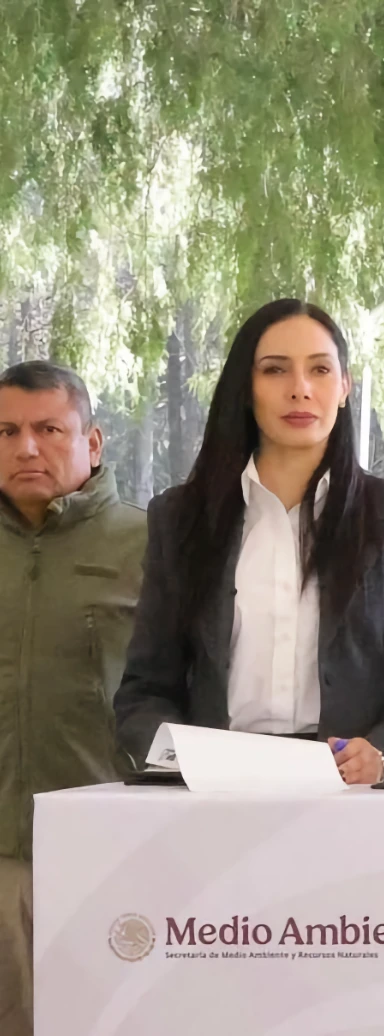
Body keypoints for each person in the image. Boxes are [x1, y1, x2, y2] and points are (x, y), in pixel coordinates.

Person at [114, 300, 384, 783]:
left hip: (353, 793)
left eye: (320, 369)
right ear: (245, 387)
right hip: (215, 791)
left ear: (344, 387)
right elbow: (145, 689)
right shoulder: (182, 519)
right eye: (275, 370)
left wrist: (383, 754)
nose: (300, 389)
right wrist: (180, 758)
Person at [0, 362, 145, 1036]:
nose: (26, 447)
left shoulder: (149, 546)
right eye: (7, 432)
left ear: (92, 441)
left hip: (109, 852)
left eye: (49, 429)